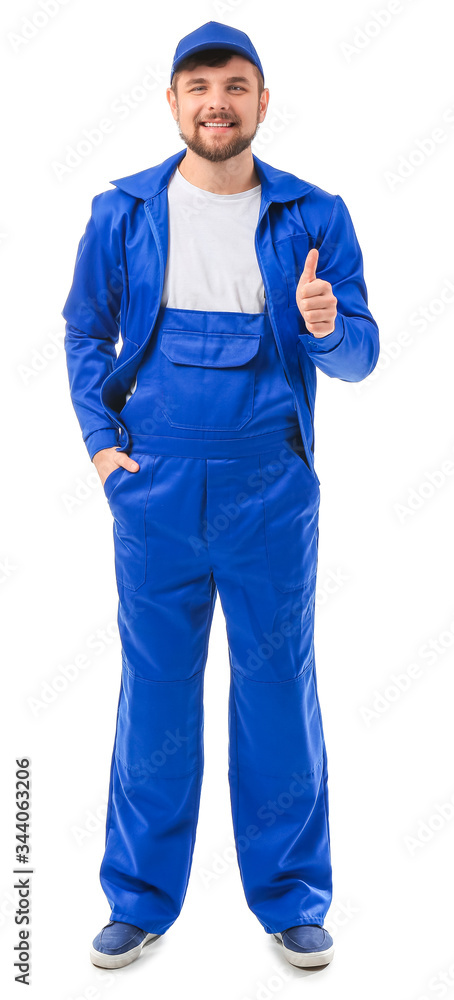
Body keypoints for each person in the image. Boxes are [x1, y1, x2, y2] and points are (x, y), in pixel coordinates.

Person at [62, 20, 379, 972]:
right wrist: (103, 451)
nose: (217, 101)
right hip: (152, 491)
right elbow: (84, 332)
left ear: (263, 101)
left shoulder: (314, 215)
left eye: (236, 85)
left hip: (270, 491)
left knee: (278, 692)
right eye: (198, 85)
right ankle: (139, 899)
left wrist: (326, 328)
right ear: (171, 102)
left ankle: (291, 898)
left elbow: (361, 354)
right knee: (155, 697)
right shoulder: (123, 211)